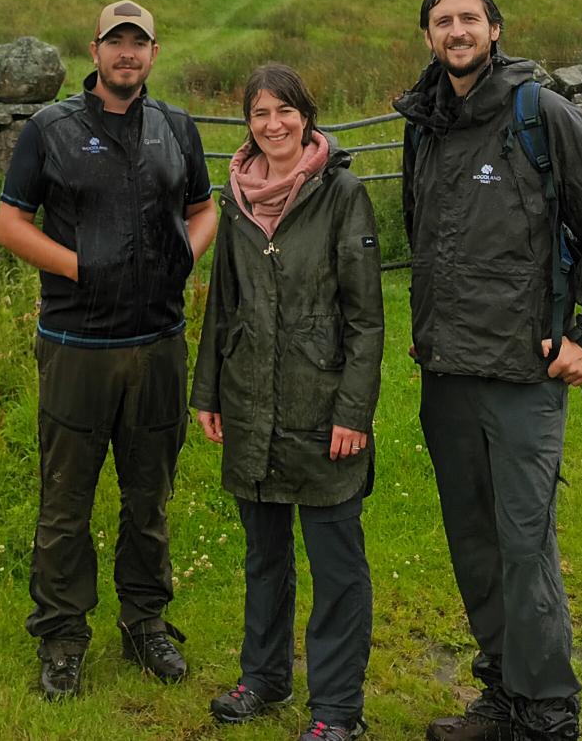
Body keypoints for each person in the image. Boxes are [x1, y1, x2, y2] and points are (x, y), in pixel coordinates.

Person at [393, 0, 582, 741]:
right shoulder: (425, 125)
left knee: (523, 543)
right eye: (442, 22)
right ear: (429, 39)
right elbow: (426, 236)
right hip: (446, 371)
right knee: (472, 543)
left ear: (496, 30)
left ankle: (546, 713)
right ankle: (503, 694)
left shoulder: (543, 116)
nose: (457, 30)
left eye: (469, 18)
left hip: (522, 374)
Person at [0, 0, 218, 701]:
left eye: (139, 42)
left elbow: (205, 208)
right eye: (115, 41)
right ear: (94, 51)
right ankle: (61, 638)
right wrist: (77, 267)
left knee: (149, 495)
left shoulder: (176, 127)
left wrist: (186, 252)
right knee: (65, 501)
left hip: (157, 345)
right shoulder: (50, 130)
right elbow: (9, 221)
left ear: (154, 53)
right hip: (76, 346)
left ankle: (145, 623)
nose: (128, 53)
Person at [191, 64, 384, 741]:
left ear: (307, 116)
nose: (273, 125)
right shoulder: (237, 198)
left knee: (336, 565)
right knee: (263, 555)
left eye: (285, 111)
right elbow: (224, 303)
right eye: (259, 113)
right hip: (250, 404)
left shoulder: (343, 194)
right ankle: (265, 679)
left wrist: (353, 412)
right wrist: (209, 391)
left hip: (323, 405)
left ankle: (337, 712)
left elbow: (366, 319)